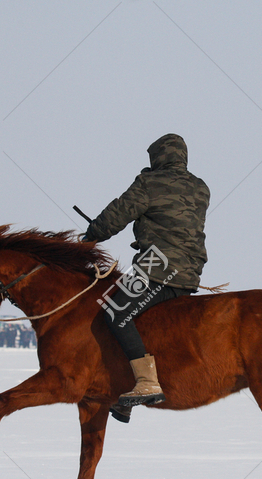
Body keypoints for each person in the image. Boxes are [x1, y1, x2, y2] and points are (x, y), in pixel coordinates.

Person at [84, 134, 210, 423]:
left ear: (157, 158)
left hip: (157, 265)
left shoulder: (149, 183)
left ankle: (147, 382)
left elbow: (117, 215)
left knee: (115, 313)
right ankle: (126, 388)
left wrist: (90, 236)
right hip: (191, 269)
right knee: (140, 322)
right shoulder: (201, 188)